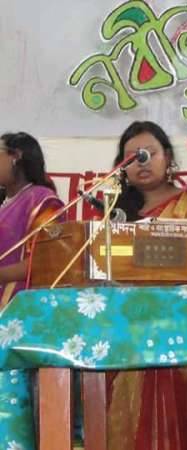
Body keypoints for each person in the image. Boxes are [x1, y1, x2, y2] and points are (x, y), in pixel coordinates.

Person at [108, 121, 187, 450]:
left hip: (180, 338)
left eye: (149, 154)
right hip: (125, 340)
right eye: (133, 157)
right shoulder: (114, 214)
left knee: (178, 425)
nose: (142, 162)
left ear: (168, 158)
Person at [0, 132, 64, 449]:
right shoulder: (5, 203)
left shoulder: (43, 201)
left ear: (16, 156)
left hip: (23, 319)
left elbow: (45, 262)